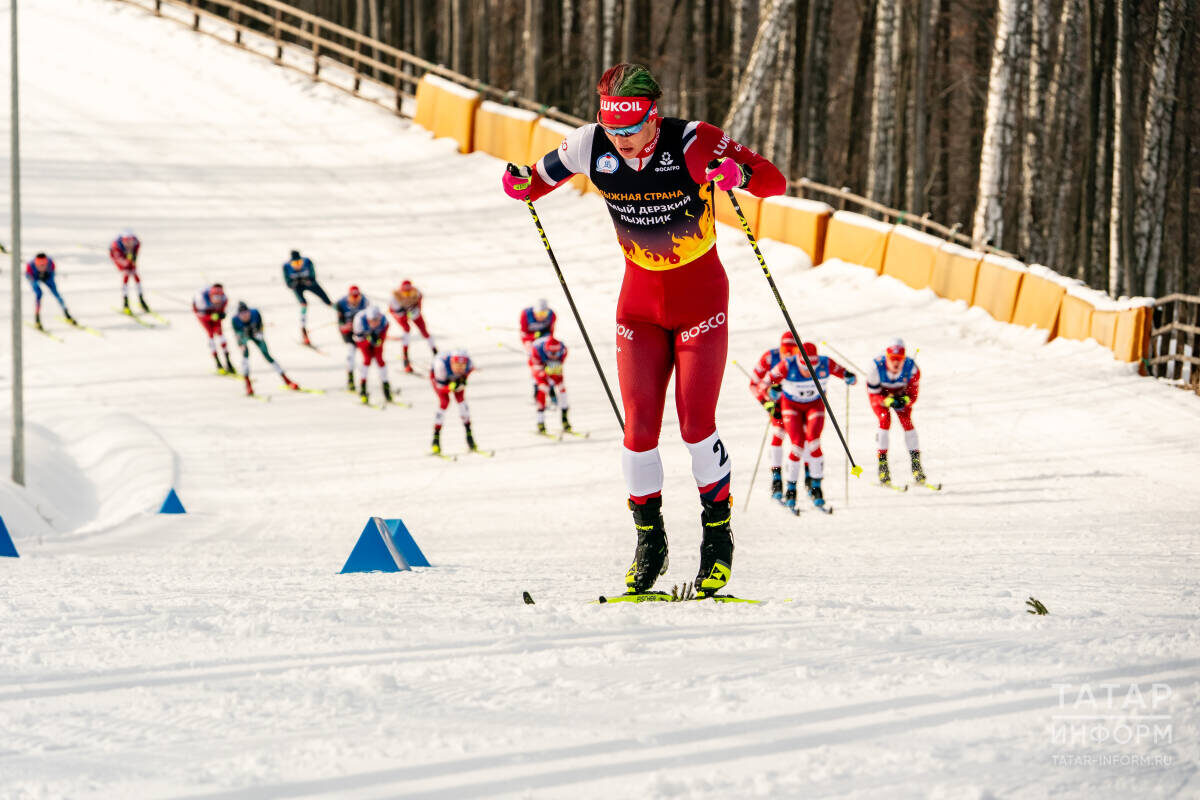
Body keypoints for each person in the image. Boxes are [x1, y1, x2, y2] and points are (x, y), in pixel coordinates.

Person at [502, 62, 786, 596]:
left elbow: (774, 180)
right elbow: (533, 181)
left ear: (654, 118)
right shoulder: (590, 146)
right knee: (638, 432)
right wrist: (518, 182)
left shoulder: (695, 143)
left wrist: (737, 177)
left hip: (701, 303)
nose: (624, 144)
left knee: (696, 424)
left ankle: (717, 540)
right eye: (615, 132)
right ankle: (649, 544)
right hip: (637, 308)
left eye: (632, 132)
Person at [762, 335, 856, 510]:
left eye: (812, 367)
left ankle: (816, 487)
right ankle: (790, 490)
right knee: (797, 445)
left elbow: (847, 374)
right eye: (805, 367)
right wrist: (772, 391)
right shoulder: (788, 364)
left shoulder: (825, 363)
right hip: (791, 407)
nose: (808, 372)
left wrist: (850, 377)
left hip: (815, 405)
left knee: (813, 441)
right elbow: (766, 381)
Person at [867, 337, 925, 485]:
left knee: (907, 422)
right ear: (886, 357)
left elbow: (914, 395)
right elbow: (873, 394)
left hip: (901, 395)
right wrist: (885, 400)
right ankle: (883, 466)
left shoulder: (912, 368)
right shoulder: (875, 367)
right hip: (881, 396)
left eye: (899, 358)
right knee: (884, 419)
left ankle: (916, 465)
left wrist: (904, 400)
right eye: (892, 358)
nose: (896, 362)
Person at [231, 302, 300, 396]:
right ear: (238, 315)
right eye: (242, 314)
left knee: (267, 355)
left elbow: (261, 326)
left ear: (249, 312)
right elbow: (237, 335)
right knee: (245, 357)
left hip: (255, 333)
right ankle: (248, 385)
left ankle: (287, 380)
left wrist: (259, 332)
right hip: (244, 335)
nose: (245, 316)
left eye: (246, 313)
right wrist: (241, 344)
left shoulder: (255, 313)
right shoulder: (235, 320)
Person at [750, 336, 788, 501]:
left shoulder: (802, 358)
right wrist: (767, 402)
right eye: (785, 351)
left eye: (793, 350)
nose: (789, 354)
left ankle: (810, 480)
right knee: (779, 432)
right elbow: (754, 384)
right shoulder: (770, 357)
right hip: (776, 403)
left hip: (797, 403)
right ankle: (777, 479)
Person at [429, 349, 477, 454]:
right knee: (444, 402)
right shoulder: (440, 366)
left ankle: (469, 436)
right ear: (451, 363)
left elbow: (470, 370)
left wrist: (464, 378)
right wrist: (450, 387)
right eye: (457, 366)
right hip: (441, 379)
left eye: (462, 366)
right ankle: (436, 439)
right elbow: (440, 387)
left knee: (461, 401)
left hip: (455, 379)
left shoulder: (469, 364)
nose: (460, 369)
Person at [282, 250, 332, 345]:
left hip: (309, 284)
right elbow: (288, 283)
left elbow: (313, 275)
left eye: (299, 262)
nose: (297, 265)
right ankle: (303, 331)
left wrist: (309, 280)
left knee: (328, 301)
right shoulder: (286, 266)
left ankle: (342, 314)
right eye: (295, 263)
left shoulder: (307, 262)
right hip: (298, 287)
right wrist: (295, 283)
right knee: (303, 304)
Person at [388, 279, 437, 372]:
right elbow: (394, 311)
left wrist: (415, 310)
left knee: (424, 331)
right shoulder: (395, 297)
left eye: (408, 291)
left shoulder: (416, 292)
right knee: (406, 330)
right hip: (401, 315)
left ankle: (435, 352)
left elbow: (419, 301)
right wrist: (403, 312)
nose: (407, 294)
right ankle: (405, 359)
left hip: (413, 312)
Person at [530, 335, 571, 434]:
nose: (554, 355)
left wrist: (554, 368)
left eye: (557, 353)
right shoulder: (537, 350)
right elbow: (535, 369)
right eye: (551, 353)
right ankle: (540, 422)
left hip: (554, 369)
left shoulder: (563, 350)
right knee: (542, 388)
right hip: (541, 368)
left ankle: (565, 419)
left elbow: (560, 363)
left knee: (562, 389)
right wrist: (544, 371)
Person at [352, 305, 393, 404]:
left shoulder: (384, 321)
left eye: (377, 321)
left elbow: (383, 336)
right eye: (372, 321)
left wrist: (378, 341)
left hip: (376, 339)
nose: (375, 323)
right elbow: (358, 340)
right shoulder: (359, 320)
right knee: (367, 360)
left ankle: (386, 387)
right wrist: (369, 340)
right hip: (364, 341)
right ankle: (363, 387)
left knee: (380, 360)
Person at [519, 298, 557, 402]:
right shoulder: (526, 314)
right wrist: (534, 337)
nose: (541, 317)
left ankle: (552, 388)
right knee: (535, 364)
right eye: (539, 313)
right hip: (531, 342)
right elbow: (524, 335)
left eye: (544, 313)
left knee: (549, 362)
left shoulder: (552, 315)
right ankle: (536, 389)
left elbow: (551, 334)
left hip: (544, 341)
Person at [192, 283, 235, 374]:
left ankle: (228, 361)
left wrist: (222, 314)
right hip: (205, 317)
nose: (218, 300)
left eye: (220, 297)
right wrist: (211, 317)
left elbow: (222, 309)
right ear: (211, 296)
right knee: (210, 334)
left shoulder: (224, 299)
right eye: (215, 298)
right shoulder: (201, 300)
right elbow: (199, 314)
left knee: (220, 334)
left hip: (214, 314)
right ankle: (218, 363)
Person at [24, 253, 74, 328]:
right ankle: (37, 319)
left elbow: (53, 273)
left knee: (56, 294)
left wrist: (48, 276)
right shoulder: (30, 266)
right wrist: (34, 281)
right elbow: (29, 277)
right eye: (40, 265)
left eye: (44, 265)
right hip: (34, 277)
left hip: (47, 278)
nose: (42, 267)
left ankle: (67, 313)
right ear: (36, 264)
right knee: (39, 294)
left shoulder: (51, 263)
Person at [334, 285, 369, 391]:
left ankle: (364, 381)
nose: (355, 300)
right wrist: (346, 326)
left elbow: (369, 319)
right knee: (351, 352)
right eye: (353, 298)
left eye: (357, 297)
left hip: (361, 331)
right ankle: (350, 380)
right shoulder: (341, 303)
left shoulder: (365, 302)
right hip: (348, 332)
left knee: (367, 355)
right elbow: (340, 324)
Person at [110, 229, 150, 313]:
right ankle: (126, 303)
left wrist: (133, 261)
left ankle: (141, 300)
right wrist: (127, 262)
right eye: (126, 241)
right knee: (126, 274)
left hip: (128, 257)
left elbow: (135, 255)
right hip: (120, 258)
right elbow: (119, 260)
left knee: (135, 275)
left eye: (131, 241)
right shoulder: (116, 247)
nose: (129, 244)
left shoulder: (137, 244)